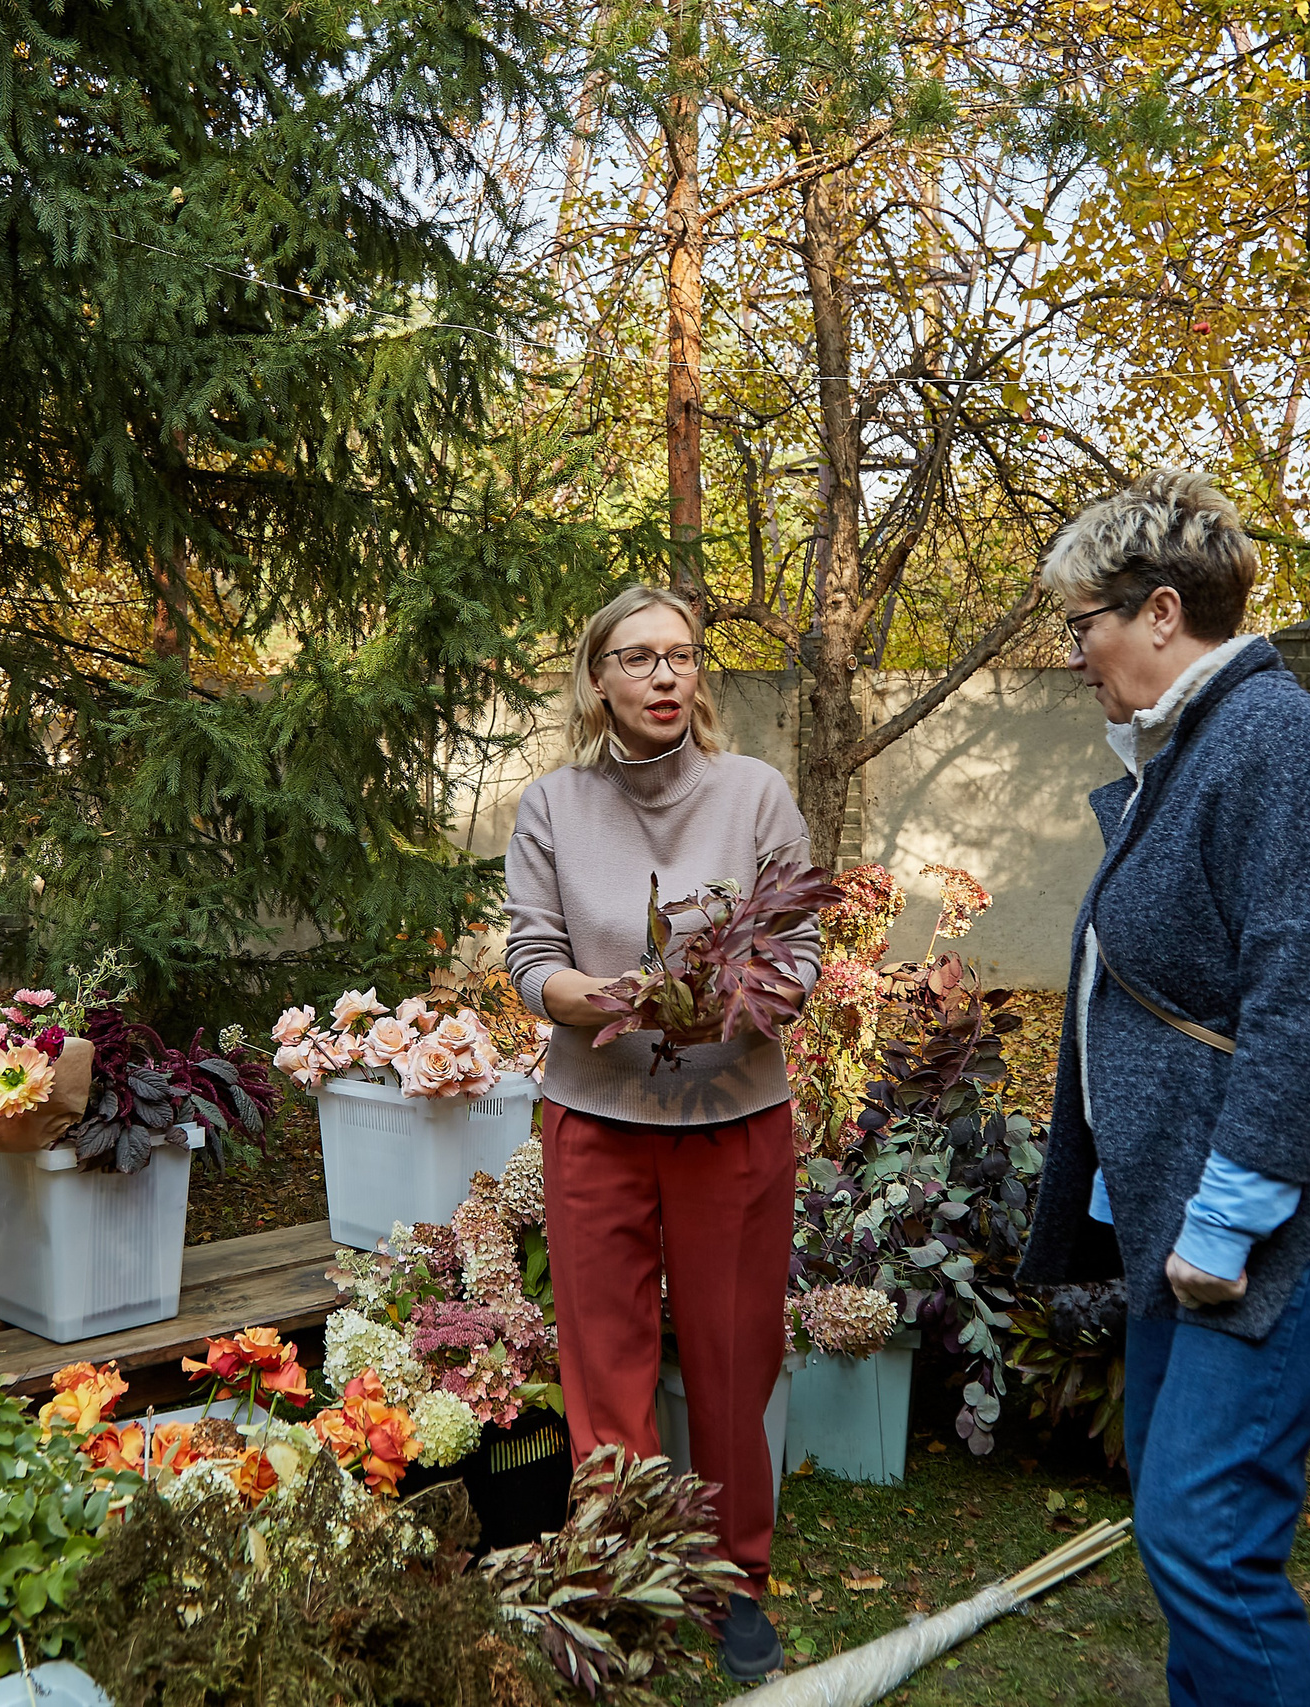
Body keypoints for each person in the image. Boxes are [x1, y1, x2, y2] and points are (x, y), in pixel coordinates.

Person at [1017, 471, 1310, 1707]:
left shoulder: (1274, 748)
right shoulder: (1198, 747)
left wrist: (1221, 1220)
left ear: (1154, 612)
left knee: (1205, 1541)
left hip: (1263, 1232)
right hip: (1188, 1218)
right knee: (1183, 1522)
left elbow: (1301, 1017)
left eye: (1079, 625)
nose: (1076, 655)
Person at [504, 584, 821, 1681]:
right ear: (598, 680)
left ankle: (736, 1577)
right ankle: (626, 1569)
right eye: (637, 658)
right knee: (606, 1359)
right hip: (596, 1119)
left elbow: (799, 953)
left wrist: (736, 1005)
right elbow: (529, 954)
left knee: (734, 1357)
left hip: (731, 1119)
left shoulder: (755, 795)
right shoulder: (550, 804)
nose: (663, 676)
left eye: (680, 656)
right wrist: (572, 998)